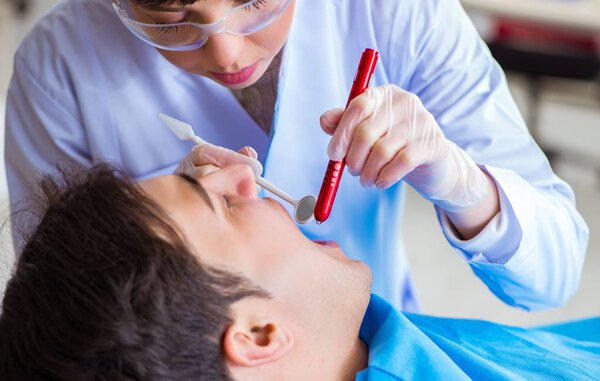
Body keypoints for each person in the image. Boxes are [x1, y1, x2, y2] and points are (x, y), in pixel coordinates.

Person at [4, 0, 589, 311]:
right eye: (168, 9)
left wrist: (466, 187)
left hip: (380, 331)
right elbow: (60, 318)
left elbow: (551, 275)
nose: (227, 50)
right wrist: (155, 238)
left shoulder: (393, 12)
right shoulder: (61, 66)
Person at [1, 163, 599, 380]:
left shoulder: (375, 338)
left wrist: (469, 187)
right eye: (225, 202)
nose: (241, 168)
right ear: (260, 335)